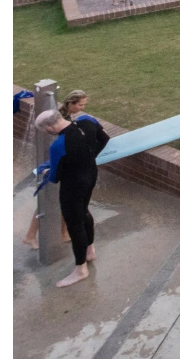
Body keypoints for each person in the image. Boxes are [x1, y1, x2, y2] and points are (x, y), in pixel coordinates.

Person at [34, 108, 109, 287]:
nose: (47, 133)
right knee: (84, 213)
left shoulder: (59, 146)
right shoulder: (87, 120)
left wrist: (47, 170)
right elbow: (104, 139)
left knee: (75, 225)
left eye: (45, 130)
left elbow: (55, 177)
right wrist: (89, 157)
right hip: (91, 175)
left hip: (73, 186)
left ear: (50, 127)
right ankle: (90, 251)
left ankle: (80, 270)